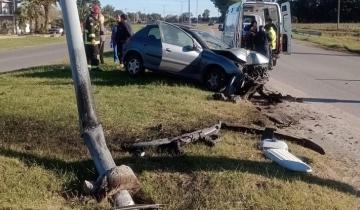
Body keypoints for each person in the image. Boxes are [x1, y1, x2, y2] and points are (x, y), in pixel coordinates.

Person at [83, 4, 101, 70]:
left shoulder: (94, 19)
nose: (97, 14)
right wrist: (93, 39)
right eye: (97, 13)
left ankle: (90, 67)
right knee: (94, 53)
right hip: (91, 40)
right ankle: (94, 67)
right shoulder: (91, 19)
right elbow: (91, 30)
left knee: (91, 53)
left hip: (91, 40)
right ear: (94, 13)